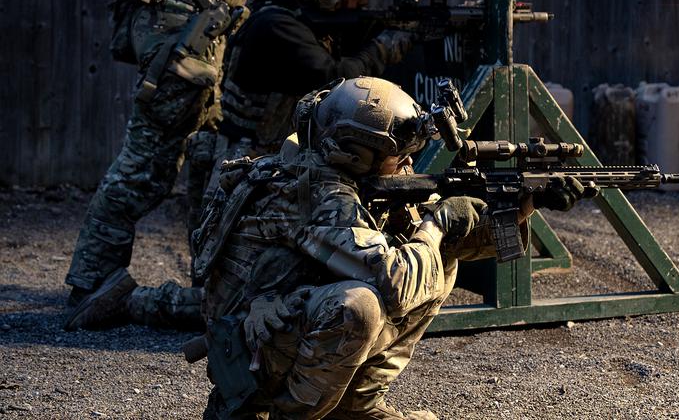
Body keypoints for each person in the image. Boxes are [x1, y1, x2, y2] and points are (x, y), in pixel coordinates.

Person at [65, 0, 401, 322]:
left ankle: (104, 279)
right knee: (145, 168)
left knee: (173, 157)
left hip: (185, 24)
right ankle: (93, 287)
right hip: (187, 33)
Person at [190, 77, 585, 418]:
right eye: (400, 155)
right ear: (358, 153)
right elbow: (398, 283)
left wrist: (526, 203)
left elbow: (458, 240)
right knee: (360, 305)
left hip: (280, 330)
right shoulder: (316, 192)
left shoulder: (348, 177)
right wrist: (440, 220)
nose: (408, 163)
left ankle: (354, 407)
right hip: (246, 356)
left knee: (436, 257)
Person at [185, 0, 415, 231]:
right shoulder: (275, 24)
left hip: (267, 160)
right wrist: (388, 45)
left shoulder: (291, 16)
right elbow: (335, 78)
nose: (362, 1)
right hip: (245, 164)